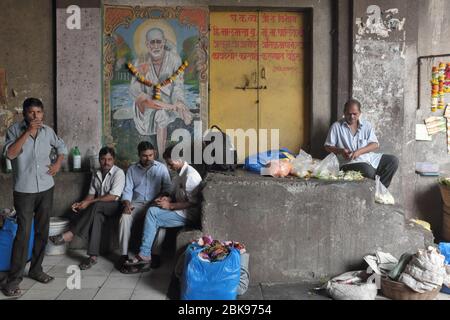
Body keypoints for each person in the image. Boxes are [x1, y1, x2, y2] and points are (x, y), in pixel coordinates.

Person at [1, 98, 68, 297]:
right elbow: (11, 155)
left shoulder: (48, 131)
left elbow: (61, 147)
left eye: (38, 112)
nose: (35, 116)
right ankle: (13, 280)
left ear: (43, 113)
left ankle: (36, 269)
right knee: (23, 233)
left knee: (42, 230)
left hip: (46, 187)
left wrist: (57, 163)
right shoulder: (14, 130)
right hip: (24, 190)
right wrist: (27, 132)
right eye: (31, 112)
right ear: (24, 114)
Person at [124, 144, 202, 271]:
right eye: (167, 164)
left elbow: (194, 203)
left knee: (152, 213)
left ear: (180, 159)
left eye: (170, 163)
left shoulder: (190, 176)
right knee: (154, 210)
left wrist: (170, 205)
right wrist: (167, 199)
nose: (169, 166)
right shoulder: (179, 175)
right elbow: (176, 195)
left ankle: (145, 255)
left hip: (189, 214)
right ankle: (149, 254)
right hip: (180, 209)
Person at [49, 147, 125, 270]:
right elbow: (90, 194)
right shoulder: (96, 172)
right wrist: (81, 203)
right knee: (96, 217)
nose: (106, 162)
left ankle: (70, 234)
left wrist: (90, 203)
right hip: (99, 208)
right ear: (99, 160)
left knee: (96, 205)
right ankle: (92, 257)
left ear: (114, 160)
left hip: (115, 206)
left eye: (109, 159)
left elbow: (113, 196)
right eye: (103, 159)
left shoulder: (119, 173)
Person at [129, 27, 192, 158]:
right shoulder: (139, 63)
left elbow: (178, 86)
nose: (156, 45)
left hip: (167, 100)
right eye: (152, 42)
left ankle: (162, 157)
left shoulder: (174, 60)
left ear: (164, 42)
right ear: (147, 44)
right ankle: (163, 158)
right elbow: (145, 100)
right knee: (161, 113)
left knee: (166, 112)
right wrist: (172, 107)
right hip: (147, 108)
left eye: (159, 41)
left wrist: (178, 102)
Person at [118, 141, 172, 272]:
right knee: (124, 218)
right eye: (144, 156)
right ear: (138, 155)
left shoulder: (161, 168)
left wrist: (161, 198)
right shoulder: (132, 169)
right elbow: (127, 190)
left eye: (151, 155)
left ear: (154, 154)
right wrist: (126, 204)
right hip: (136, 203)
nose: (148, 158)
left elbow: (168, 188)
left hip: (154, 202)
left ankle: (155, 254)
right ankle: (123, 255)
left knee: (161, 220)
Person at [324, 99, 399, 188]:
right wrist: (341, 150)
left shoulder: (366, 125)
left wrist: (359, 152)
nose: (352, 116)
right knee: (368, 171)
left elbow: (375, 144)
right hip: (348, 162)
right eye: (349, 113)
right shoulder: (336, 127)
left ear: (359, 113)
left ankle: (380, 190)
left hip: (368, 157)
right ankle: (376, 190)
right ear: (344, 112)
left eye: (355, 114)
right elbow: (327, 147)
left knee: (393, 161)